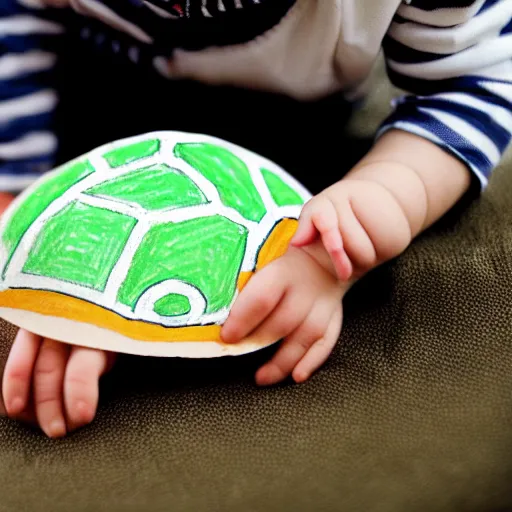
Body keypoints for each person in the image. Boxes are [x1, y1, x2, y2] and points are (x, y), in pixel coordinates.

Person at [1, 0, 511, 438]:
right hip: (90, 85)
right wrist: (33, 208)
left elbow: (474, 82)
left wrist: (388, 192)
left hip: (292, 122)